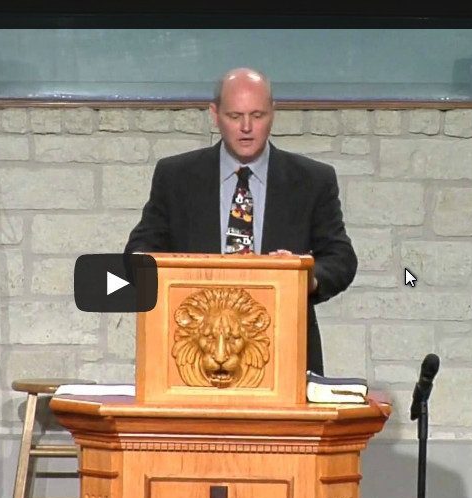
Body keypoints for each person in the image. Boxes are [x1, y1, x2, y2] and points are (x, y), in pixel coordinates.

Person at [124, 67, 357, 375]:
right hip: (194, 355)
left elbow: (341, 258)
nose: (247, 127)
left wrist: (304, 275)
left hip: (283, 353)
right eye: (235, 116)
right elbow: (139, 252)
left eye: (257, 115)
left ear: (273, 113)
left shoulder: (313, 180)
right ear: (214, 114)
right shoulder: (175, 177)